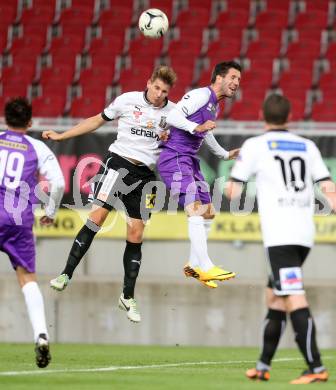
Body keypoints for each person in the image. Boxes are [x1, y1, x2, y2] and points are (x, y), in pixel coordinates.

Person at [43, 65, 177, 323]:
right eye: (157, 87)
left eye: (165, 91)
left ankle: (127, 296)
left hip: (145, 175)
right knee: (98, 218)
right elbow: (96, 120)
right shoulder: (127, 101)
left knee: (136, 233)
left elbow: (184, 141)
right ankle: (66, 273)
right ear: (148, 83)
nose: (159, 94)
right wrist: (62, 136)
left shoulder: (172, 113)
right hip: (118, 163)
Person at [226, 94, 335, 384]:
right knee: (275, 297)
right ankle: (263, 365)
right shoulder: (308, 145)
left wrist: (239, 168)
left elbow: (232, 192)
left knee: (292, 296)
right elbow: (328, 186)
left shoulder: (255, 146)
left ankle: (316, 367)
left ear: (262, 115)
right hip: (303, 233)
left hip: (280, 235)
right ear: (290, 116)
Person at [158, 61, 241, 289]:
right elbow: (173, 118)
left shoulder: (215, 105)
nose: (236, 83)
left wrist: (224, 154)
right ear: (219, 78)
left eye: (238, 80)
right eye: (233, 77)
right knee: (195, 208)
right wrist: (196, 128)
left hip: (189, 160)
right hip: (174, 156)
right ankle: (205, 265)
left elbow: (207, 133)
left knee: (208, 212)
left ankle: (193, 265)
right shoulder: (201, 95)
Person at [0, 97, 65, 368]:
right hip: (18, 220)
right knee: (27, 278)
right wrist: (50, 212)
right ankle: (41, 334)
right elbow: (59, 183)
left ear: (4, 119)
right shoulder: (37, 147)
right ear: (29, 122)